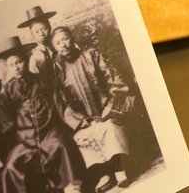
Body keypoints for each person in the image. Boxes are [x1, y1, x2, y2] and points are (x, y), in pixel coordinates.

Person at [0, 36, 83, 193]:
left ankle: (72, 187)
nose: (16, 68)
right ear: (7, 67)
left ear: (26, 61)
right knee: (11, 166)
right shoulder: (8, 91)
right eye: (11, 65)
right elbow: (7, 121)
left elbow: (56, 103)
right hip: (25, 138)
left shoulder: (41, 80)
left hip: (49, 130)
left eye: (19, 62)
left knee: (59, 146)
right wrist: (19, 140)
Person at [51, 28, 131, 192]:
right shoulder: (58, 69)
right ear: (55, 48)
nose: (63, 45)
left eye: (65, 39)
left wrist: (108, 109)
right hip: (84, 119)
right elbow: (62, 102)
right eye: (58, 43)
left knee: (108, 127)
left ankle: (119, 169)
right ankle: (104, 174)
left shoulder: (90, 55)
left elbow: (114, 80)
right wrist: (80, 120)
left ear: (72, 39)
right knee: (82, 135)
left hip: (105, 110)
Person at [16, 7, 56, 86]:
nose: (41, 34)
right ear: (32, 34)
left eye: (44, 29)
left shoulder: (59, 45)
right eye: (36, 31)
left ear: (50, 27)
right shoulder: (34, 58)